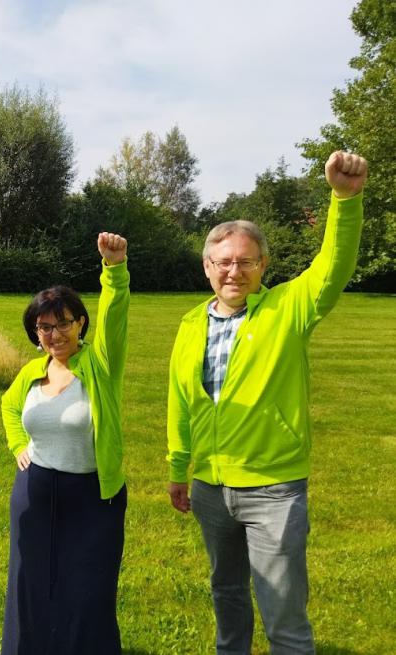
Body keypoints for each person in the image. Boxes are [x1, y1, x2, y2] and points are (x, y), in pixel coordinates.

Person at [166, 151, 368, 654]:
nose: (234, 270)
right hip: (211, 488)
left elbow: (332, 266)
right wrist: (178, 467)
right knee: (227, 597)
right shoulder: (191, 322)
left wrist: (344, 199)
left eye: (246, 261)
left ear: (262, 266)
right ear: (207, 266)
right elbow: (182, 400)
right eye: (224, 261)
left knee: (282, 615)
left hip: (273, 488)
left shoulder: (288, 307)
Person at [0, 232, 129, 655]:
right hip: (35, 495)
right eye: (44, 327)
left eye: (63, 324)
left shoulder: (99, 363)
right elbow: (8, 407)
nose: (54, 335)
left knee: (88, 590)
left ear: (81, 324)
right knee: (30, 585)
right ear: (35, 332)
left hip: (92, 498)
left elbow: (115, 318)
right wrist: (19, 443)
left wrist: (113, 270)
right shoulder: (31, 372)